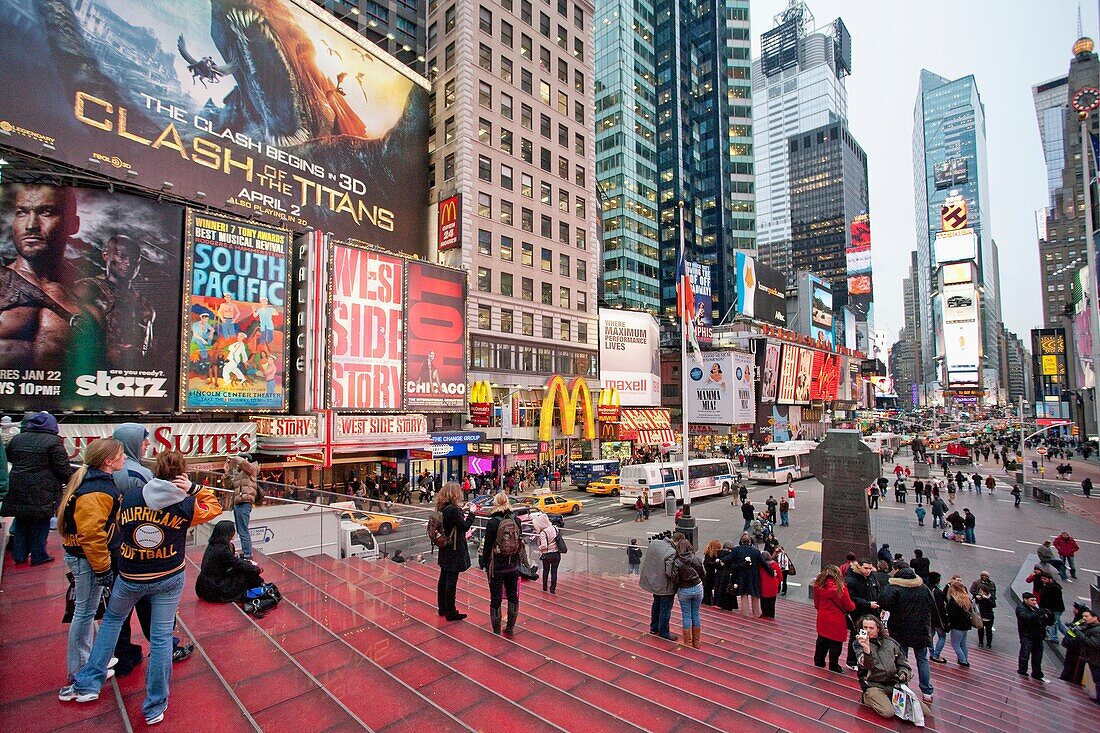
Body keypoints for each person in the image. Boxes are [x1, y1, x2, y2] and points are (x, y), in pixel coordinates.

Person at [59, 451, 222, 725]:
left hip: (131, 575)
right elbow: (214, 507)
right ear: (180, 475)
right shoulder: (185, 504)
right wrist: (193, 488)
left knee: (111, 622)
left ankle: (87, 682)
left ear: (155, 471)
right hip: (169, 575)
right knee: (160, 639)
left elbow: (120, 525)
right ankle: (155, 706)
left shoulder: (132, 496)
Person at [58, 438, 127, 682]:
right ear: (108, 461)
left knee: (89, 610)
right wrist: (102, 567)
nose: (124, 458)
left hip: (85, 556)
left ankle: (91, 659)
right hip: (87, 558)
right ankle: (80, 669)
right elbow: (91, 532)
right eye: (120, 455)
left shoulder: (93, 482)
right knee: (85, 613)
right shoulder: (97, 490)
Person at [0, 184, 83, 370]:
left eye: (46, 212)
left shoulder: (90, 297)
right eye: (22, 213)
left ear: (73, 224)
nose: (31, 226)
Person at [73, 234, 154, 369]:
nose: (128, 263)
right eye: (122, 256)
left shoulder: (144, 305)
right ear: (106, 255)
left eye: (134, 259)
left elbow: (149, 349)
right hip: (94, 373)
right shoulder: (87, 289)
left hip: (134, 377)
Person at [2, 411, 73, 565]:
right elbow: (63, 468)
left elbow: (8, 458)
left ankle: (19, 555)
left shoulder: (17, 439)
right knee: (41, 522)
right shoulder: (53, 441)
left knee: (21, 520)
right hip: (43, 488)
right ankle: (38, 555)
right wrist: (70, 481)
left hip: (17, 485)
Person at [879, 567, 936, 702]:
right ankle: (927, 691)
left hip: (900, 629)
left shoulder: (895, 588)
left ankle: (903, 685)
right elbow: (932, 604)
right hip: (921, 630)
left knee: (901, 659)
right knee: (922, 659)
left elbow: (884, 603)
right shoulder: (923, 588)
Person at [852, 614, 924, 720]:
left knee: (924, 711)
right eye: (865, 628)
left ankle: (889, 698)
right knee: (888, 712)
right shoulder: (858, 645)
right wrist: (866, 649)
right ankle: (868, 697)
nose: (867, 630)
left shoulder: (890, 642)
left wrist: (903, 674)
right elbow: (867, 665)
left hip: (894, 683)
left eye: (871, 628)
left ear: (878, 628)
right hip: (874, 684)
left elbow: (903, 663)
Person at [479, 492, 523, 635]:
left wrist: (484, 562)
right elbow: (519, 542)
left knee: (495, 597)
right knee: (513, 596)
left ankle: (496, 629)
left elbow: (487, 545)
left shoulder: (493, 522)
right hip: (513, 564)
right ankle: (510, 627)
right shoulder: (516, 520)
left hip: (496, 565)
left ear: (496, 503)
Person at [195, 521, 264, 603]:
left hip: (205, 584)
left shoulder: (214, 545)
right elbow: (237, 564)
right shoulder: (222, 550)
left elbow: (234, 562)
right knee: (248, 573)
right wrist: (255, 568)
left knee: (246, 569)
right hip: (214, 587)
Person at [436, 481, 475, 621]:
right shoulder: (453, 509)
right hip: (454, 547)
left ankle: (442, 608)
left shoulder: (442, 507)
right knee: (451, 579)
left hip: (445, 546)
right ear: (455, 493)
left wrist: (462, 510)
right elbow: (464, 526)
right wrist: (472, 513)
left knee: (444, 578)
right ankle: (451, 611)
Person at [812, 565, 855, 673]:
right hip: (837, 619)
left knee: (821, 640)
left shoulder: (818, 586)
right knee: (836, 643)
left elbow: (816, 603)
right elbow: (849, 606)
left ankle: (819, 661)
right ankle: (834, 665)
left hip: (823, 616)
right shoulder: (841, 588)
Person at [639, 532, 678, 640]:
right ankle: (664, 632)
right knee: (665, 609)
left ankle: (654, 628)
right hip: (665, 586)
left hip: (654, 582)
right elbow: (669, 572)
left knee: (656, 604)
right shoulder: (672, 552)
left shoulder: (655, 543)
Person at [844, 559, 881, 668]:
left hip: (872, 612)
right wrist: (868, 604)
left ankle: (867, 659)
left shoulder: (871, 577)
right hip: (858, 613)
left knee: (870, 636)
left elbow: (876, 590)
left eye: (870, 568)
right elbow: (852, 598)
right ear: (858, 566)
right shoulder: (851, 580)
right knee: (857, 636)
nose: (868, 571)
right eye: (865, 568)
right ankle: (852, 661)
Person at [729, 532, 775, 617]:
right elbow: (764, 564)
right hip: (754, 576)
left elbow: (732, 564)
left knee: (744, 595)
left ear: (741, 542)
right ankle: (757, 614)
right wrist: (771, 573)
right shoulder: (756, 552)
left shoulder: (736, 550)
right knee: (755, 595)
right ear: (750, 542)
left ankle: (745, 614)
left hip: (741, 576)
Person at [225, 454, 259, 560]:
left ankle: (248, 554)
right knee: (241, 530)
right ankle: (246, 553)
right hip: (238, 503)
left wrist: (235, 458)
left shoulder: (252, 468)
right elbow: (229, 485)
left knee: (243, 530)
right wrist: (227, 472)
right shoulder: (240, 474)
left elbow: (244, 463)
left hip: (245, 502)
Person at [1016, 592, 1055, 682]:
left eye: (1035, 600)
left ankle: (1037, 673)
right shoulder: (1020, 609)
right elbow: (1028, 618)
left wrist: (1050, 616)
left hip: (1038, 636)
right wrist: (1039, 613)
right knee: (1025, 654)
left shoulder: (1036, 609)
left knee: (1038, 657)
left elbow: (1046, 622)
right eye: (1032, 600)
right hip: (1027, 635)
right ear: (1025, 600)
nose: (1034, 602)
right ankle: (1022, 671)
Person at [674, 537, 705, 648]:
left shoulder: (677, 562)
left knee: (686, 616)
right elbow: (703, 574)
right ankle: (697, 641)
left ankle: (687, 642)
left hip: (684, 590)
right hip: (697, 587)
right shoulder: (696, 559)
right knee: (696, 613)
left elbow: (674, 578)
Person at [943, 578, 973, 667]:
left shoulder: (954, 600)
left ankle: (963, 660)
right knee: (963, 644)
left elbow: (952, 615)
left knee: (955, 644)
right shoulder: (967, 598)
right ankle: (964, 658)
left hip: (957, 626)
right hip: (966, 625)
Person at [532, 512, 561, 595]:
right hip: (556, 553)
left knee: (546, 571)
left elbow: (544, 546)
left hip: (547, 555)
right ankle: (553, 589)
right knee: (554, 572)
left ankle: (545, 587)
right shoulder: (555, 528)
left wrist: (539, 548)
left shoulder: (543, 533)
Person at [1037, 572, 1068, 642]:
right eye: (1042, 578)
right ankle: (1068, 635)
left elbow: (1051, 600)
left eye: (1044, 579)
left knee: (1053, 623)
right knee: (1058, 623)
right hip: (1055, 608)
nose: (1042, 580)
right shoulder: (1048, 586)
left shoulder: (1054, 588)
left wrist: (1047, 609)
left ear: (1050, 579)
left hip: (1055, 609)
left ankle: (1054, 638)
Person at [927, 571, 950, 664]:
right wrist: (945, 619)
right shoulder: (937, 592)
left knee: (930, 636)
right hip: (938, 618)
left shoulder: (927, 588)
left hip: (930, 617)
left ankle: (932, 653)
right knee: (942, 637)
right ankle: (936, 655)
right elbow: (941, 608)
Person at [971, 573, 996, 650]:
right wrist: (977, 598)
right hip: (980, 615)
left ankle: (989, 644)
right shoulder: (978, 595)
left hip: (988, 616)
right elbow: (973, 604)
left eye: (982, 591)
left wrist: (987, 599)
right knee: (980, 629)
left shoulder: (989, 597)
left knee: (989, 631)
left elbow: (993, 605)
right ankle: (980, 642)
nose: (981, 592)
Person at [758, 551, 781, 619]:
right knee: (772, 604)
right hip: (773, 587)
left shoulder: (759, 566)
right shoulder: (775, 565)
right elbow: (780, 577)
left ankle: (764, 616)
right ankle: (771, 617)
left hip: (762, 587)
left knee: (763, 603)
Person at [701, 539, 722, 605]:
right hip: (708, 575)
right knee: (708, 590)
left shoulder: (708, 554)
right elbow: (708, 563)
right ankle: (708, 601)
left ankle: (708, 601)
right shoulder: (709, 556)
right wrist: (716, 563)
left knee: (708, 590)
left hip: (709, 575)